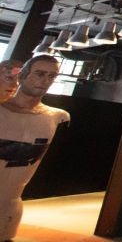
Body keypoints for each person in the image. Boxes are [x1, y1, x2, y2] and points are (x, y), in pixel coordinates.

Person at [0, 55, 69, 241]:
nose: (45, 80)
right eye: (39, 73)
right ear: (22, 75)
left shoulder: (56, 117)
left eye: (52, 76)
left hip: (9, 211)